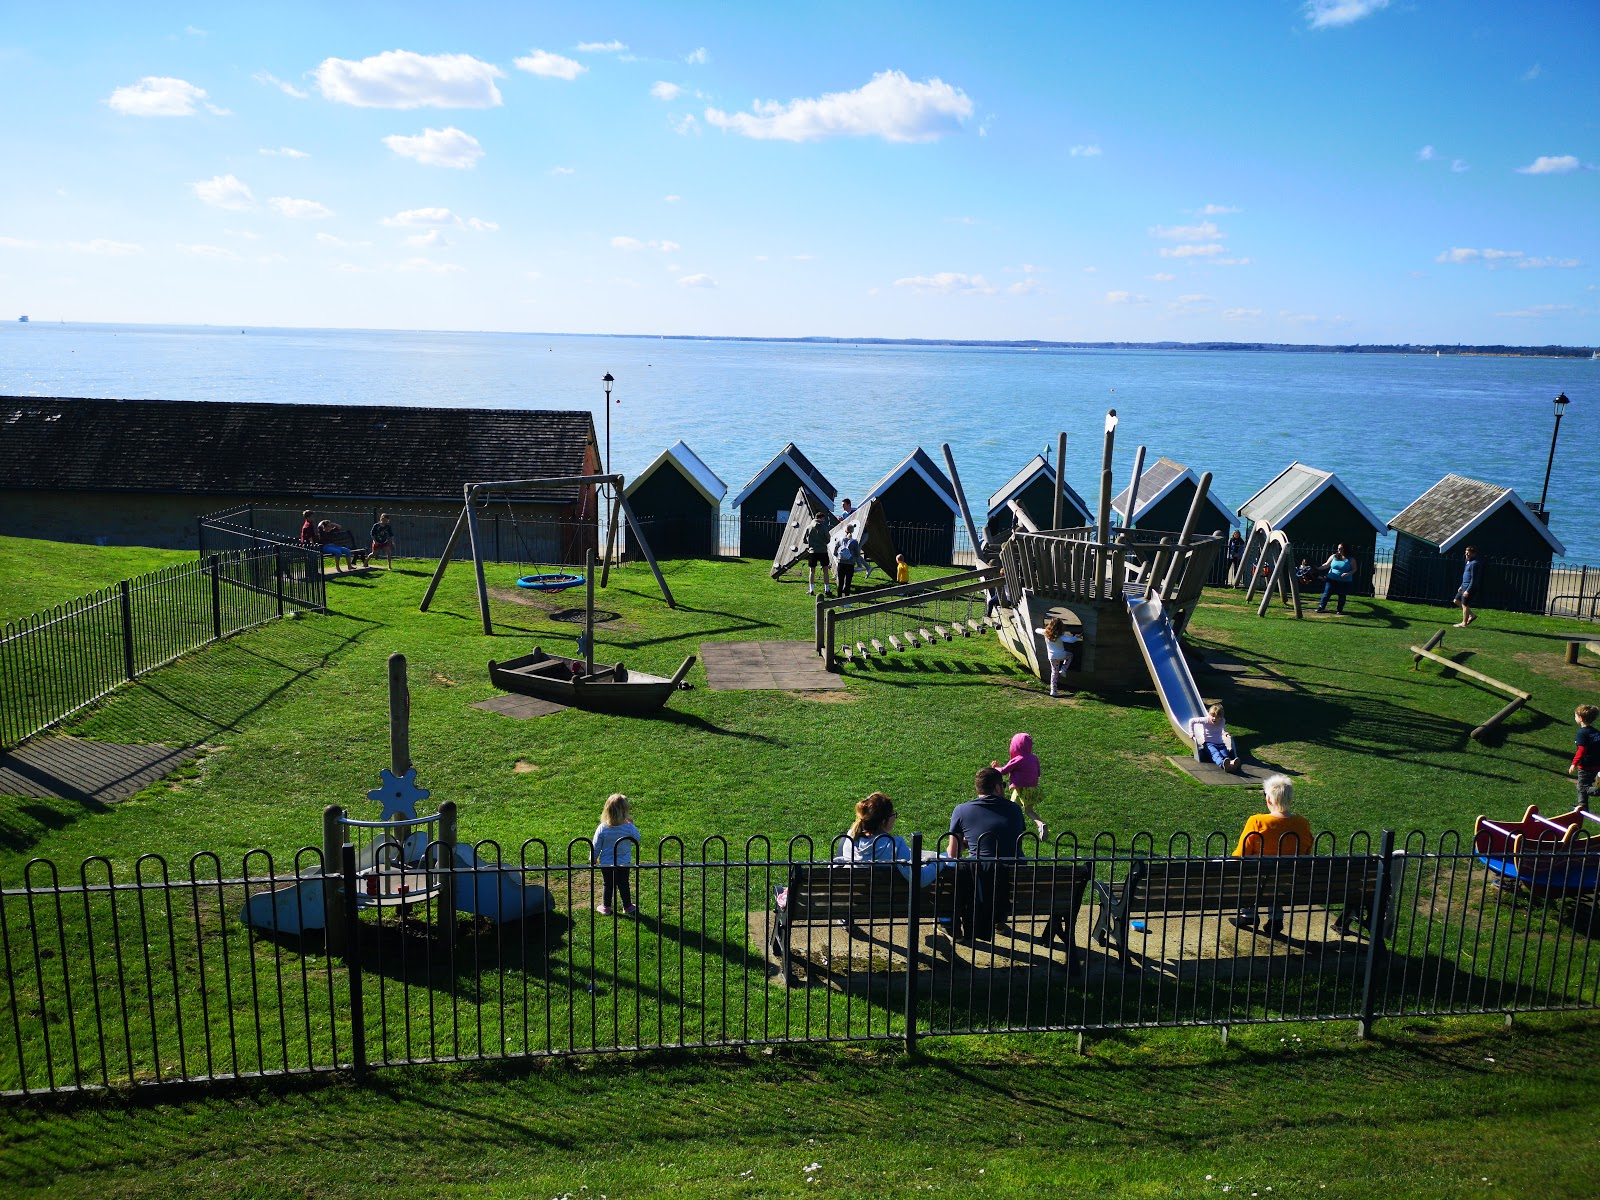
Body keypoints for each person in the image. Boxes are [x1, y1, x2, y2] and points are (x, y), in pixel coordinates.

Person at [946, 766, 1026, 941]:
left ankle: (954, 927)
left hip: (979, 884)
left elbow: (953, 853)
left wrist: (967, 845)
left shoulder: (962, 810)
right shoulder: (1015, 810)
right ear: (997, 787)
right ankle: (998, 919)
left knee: (958, 871)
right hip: (1010, 887)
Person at [1230, 774, 1312, 937]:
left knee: (1253, 874)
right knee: (1279, 879)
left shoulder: (1257, 821)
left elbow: (1241, 855)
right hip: (1287, 880)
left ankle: (1248, 914)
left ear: (1269, 800)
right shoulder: (1302, 823)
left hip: (1258, 877)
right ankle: (1276, 918)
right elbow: (1306, 851)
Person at [834, 792, 944, 887]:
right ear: (883, 821)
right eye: (893, 815)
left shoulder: (849, 839)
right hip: (888, 908)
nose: (895, 818)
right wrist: (939, 862)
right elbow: (920, 879)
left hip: (852, 906)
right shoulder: (895, 844)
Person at [591, 793, 641, 916]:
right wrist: (632, 825)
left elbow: (596, 845)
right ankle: (627, 906)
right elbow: (637, 839)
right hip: (624, 861)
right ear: (624, 812)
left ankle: (606, 907)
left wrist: (592, 859)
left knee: (608, 884)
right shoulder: (628, 827)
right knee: (624, 883)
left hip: (607, 862)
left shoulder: (602, 828)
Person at [993, 732, 1047, 841]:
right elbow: (1039, 773)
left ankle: (1009, 830)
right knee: (1029, 811)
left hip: (1021, 789)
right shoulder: (1034, 758)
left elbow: (1003, 771)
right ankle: (1040, 825)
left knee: (1011, 808)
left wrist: (996, 768)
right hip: (1033, 789)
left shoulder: (1018, 759)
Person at [1033, 617, 1081, 698]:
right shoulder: (1060, 636)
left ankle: (1053, 691)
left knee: (1054, 673)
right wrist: (1077, 636)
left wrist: (1042, 629)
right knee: (1070, 655)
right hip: (1061, 655)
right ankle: (1063, 669)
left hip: (1052, 657)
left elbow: (1036, 630)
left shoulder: (1045, 632)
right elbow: (1071, 640)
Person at [1189, 702, 1241, 774]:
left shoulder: (1222, 721)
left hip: (1220, 744)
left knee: (1225, 755)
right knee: (1216, 754)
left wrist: (1225, 732)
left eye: (1217, 717)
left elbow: (1223, 728)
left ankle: (1231, 764)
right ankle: (1223, 764)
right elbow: (1192, 721)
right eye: (1212, 716)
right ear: (1209, 714)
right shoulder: (1205, 720)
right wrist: (1191, 732)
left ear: (1221, 717)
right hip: (1209, 744)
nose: (1214, 718)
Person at [1569, 704, 1600, 811]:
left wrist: (1574, 763)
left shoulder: (1582, 734)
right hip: (1597, 764)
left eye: (1575, 716)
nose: (1575, 718)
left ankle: (1596, 793)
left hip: (1586, 766)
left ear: (1581, 718)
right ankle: (1582, 807)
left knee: (1582, 787)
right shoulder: (1596, 732)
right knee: (1584, 786)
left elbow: (1581, 750)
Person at [1316, 544, 1357, 614]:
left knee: (1341, 595)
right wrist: (1317, 568)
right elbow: (1326, 565)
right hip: (1331, 578)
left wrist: (1348, 574)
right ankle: (1321, 607)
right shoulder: (1334, 556)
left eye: (1340, 549)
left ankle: (1339, 609)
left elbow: (1354, 569)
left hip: (1344, 581)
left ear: (1345, 549)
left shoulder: (1351, 559)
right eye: (1338, 548)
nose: (1338, 550)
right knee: (1327, 593)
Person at [802, 513, 833, 597]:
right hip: (823, 551)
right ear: (821, 518)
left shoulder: (809, 527)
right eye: (823, 519)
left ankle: (811, 589)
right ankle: (827, 589)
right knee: (825, 570)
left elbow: (804, 540)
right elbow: (828, 540)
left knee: (812, 571)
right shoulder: (824, 527)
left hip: (813, 551)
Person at [1455, 545, 1479, 628]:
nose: (1467, 554)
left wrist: (1468, 590)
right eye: (1466, 553)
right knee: (1456, 600)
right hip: (1464, 585)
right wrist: (1461, 586)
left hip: (1469, 587)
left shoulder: (1474, 564)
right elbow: (1465, 575)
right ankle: (1471, 615)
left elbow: (1474, 578)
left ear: (1474, 554)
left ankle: (1464, 623)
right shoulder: (1467, 562)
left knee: (1465, 604)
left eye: (1468, 553)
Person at [835, 524, 862, 597]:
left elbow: (835, 552)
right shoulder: (854, 542)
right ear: (853, 531)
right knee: (848, 582)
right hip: (850, 564)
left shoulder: (839, 540)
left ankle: (838, 599)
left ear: (845, 530)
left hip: (841, 563)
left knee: (840, 582)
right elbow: (857, 554)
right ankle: (846, 599)